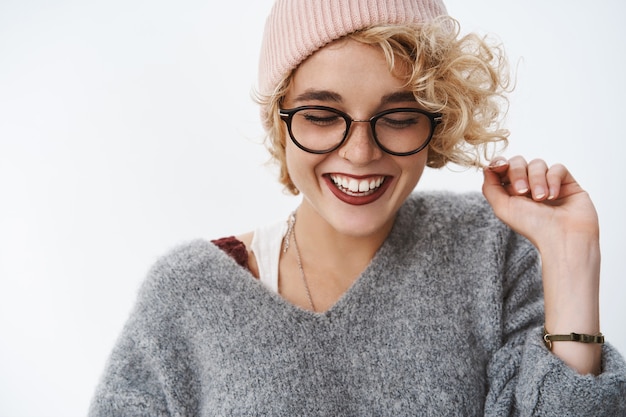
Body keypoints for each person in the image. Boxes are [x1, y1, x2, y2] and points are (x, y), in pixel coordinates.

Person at [88, 0, 626, 415]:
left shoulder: (493, 252)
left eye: (398, 116)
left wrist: (571, 259)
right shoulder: (188, 292)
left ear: (438, 122)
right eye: (323, 114)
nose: (361, 153)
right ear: (280, 120)